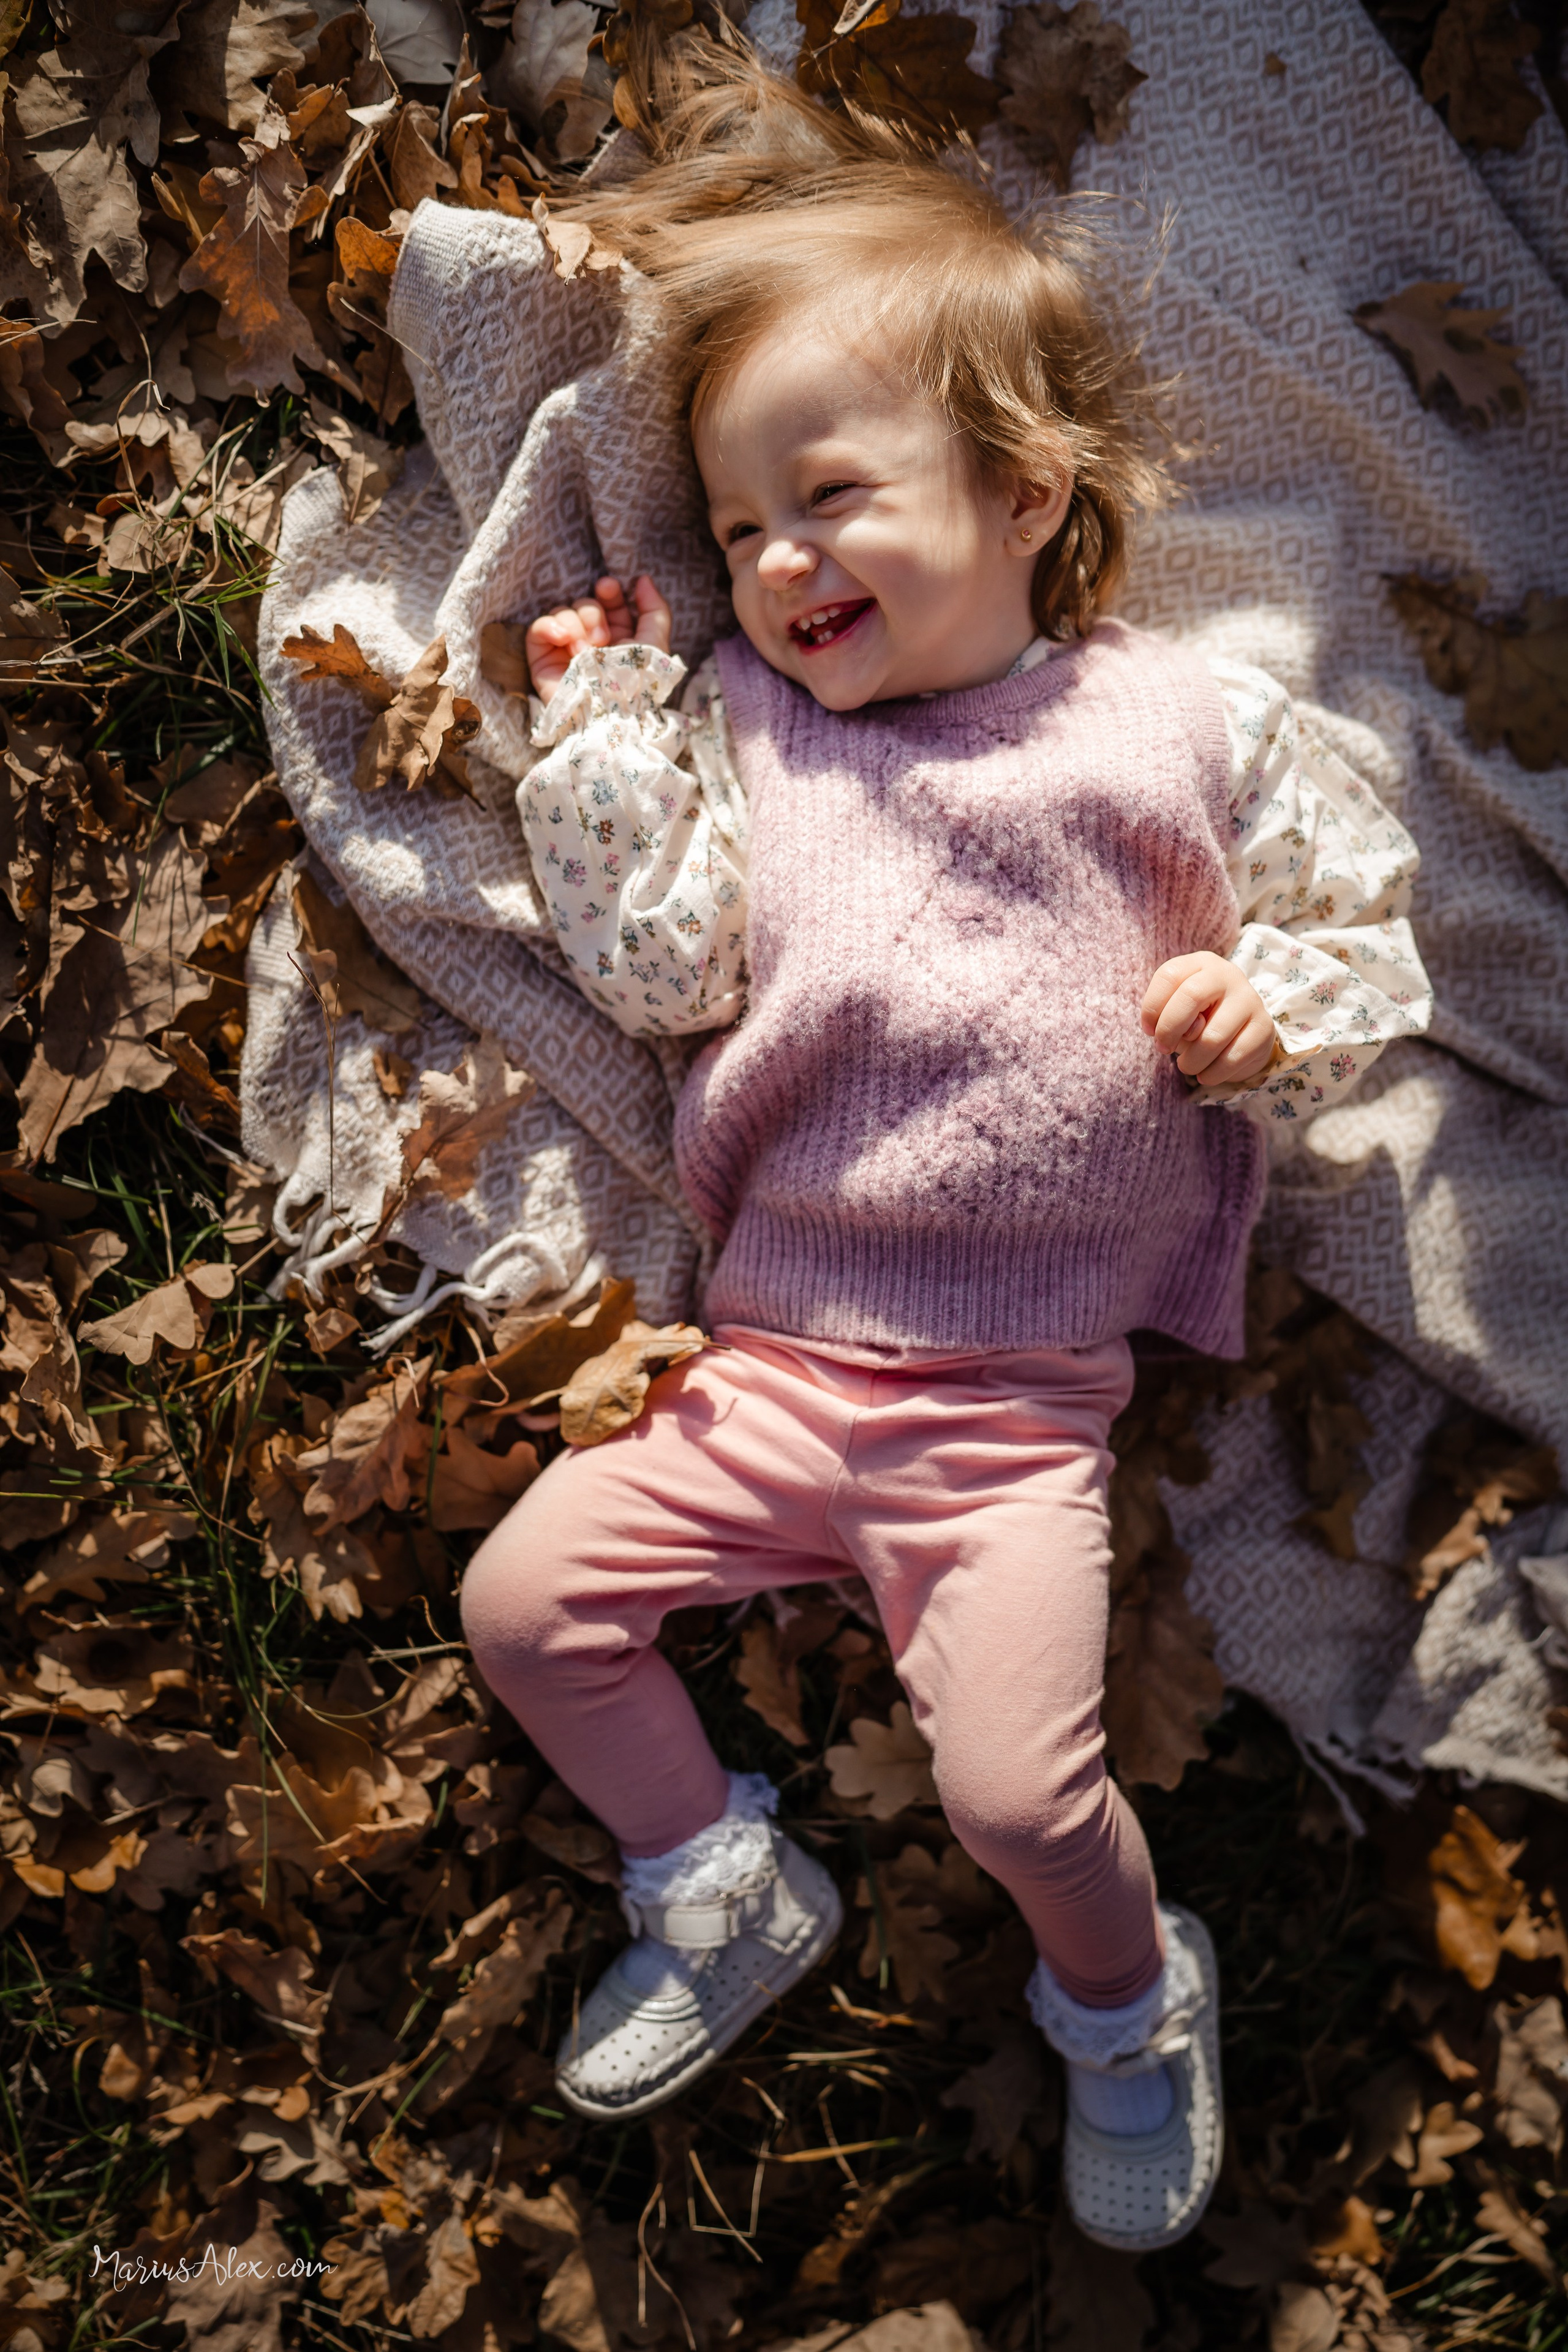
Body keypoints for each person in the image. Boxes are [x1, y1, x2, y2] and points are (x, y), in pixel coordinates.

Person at [458, 55, 1432, 2253]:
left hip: (1010, 1428)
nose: (772, 560)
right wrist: (609, 740)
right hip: (777, 1366)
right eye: (733, 527)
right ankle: (717, 1876)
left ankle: (1124, 2002)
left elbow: (1364, 909)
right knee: (525, 1601)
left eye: (825, 495)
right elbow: (659, 969)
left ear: (1018, 488)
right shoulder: (753, 731)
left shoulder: (1177, 725)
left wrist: (1273, 1005)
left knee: (1017, 1785)